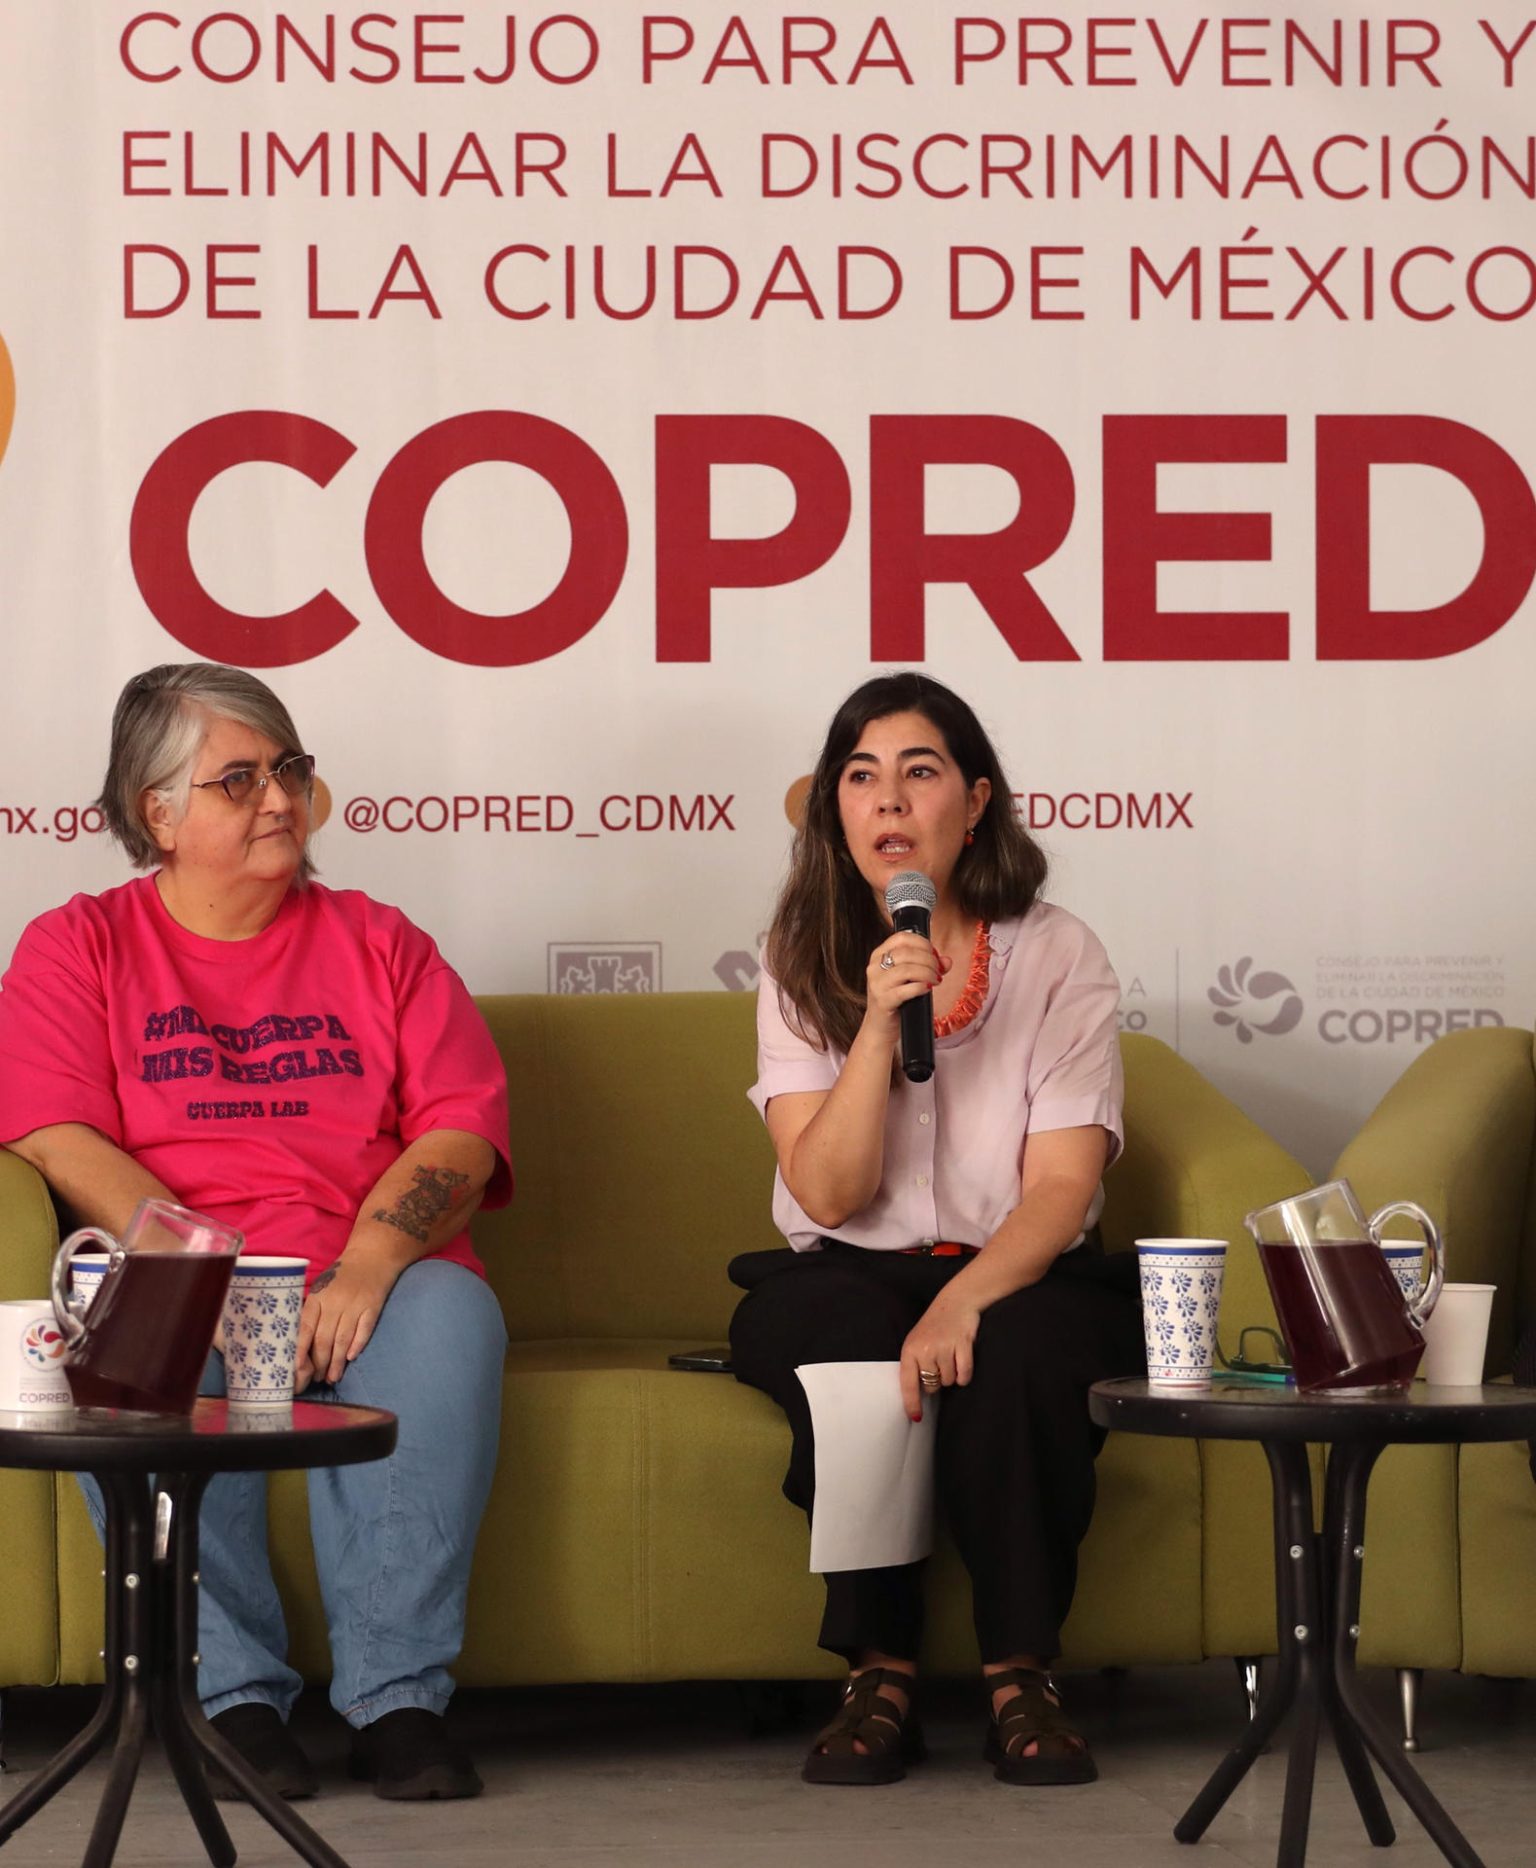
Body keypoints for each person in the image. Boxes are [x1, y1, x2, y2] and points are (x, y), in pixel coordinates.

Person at [0, 663, 511, 1802]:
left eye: (290, 769)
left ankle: (400, 1701)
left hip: (366, 1263)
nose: (279, 798)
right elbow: (55, 1131)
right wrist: (206, 1269)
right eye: (240, 779)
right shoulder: (76, 945)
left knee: (452, 1320)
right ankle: (225, 1696)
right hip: (178, 1258)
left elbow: (460, 1137)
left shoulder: (381, 941)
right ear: (160, 813)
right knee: (125, 1346)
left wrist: (370, 1265)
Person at [730, 672, 1145, 1787]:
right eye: (860, 777)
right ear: (834, 812)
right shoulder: (797, 956)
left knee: (1019, 1354)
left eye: (918, 772)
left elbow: (1061, 1186)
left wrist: (964, 1299)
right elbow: (824, 1190)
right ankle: (881, 1672)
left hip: (1019, 1266)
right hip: (848, 1267)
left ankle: (1020, 1675)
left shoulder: (1058, 953)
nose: (888, 802)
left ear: (975, 800)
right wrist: (875, 1022)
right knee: (843, 1345)